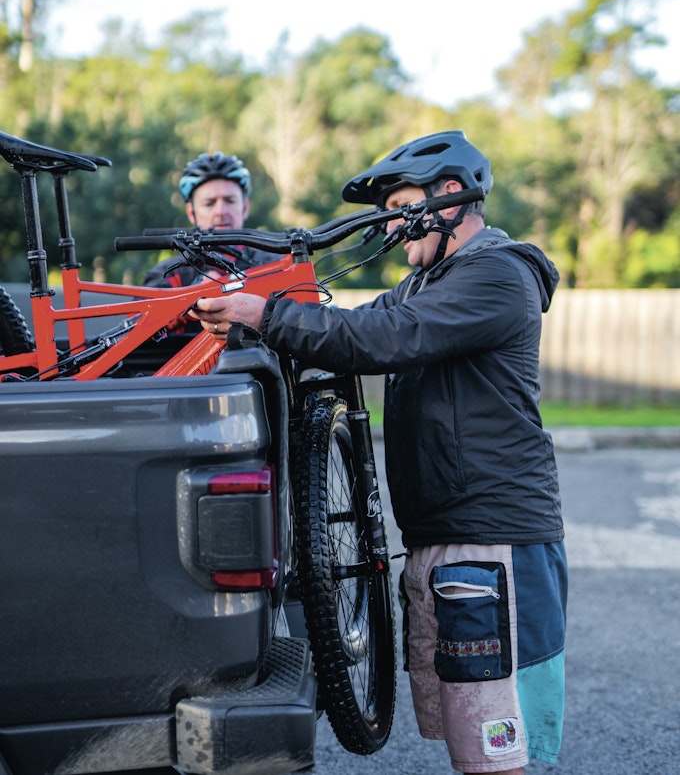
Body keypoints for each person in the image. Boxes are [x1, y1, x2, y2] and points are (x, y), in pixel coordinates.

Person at [188, 130, 567, 775]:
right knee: (470, 740)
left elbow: (378, 338)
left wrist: (264, 312)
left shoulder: (499, 274)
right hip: (444, 536)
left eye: (402, 203)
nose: (393, 223)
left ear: (451, 197)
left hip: (497, 543)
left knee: (506, 749)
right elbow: (347, 326)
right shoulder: (429, 282)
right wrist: (260, 302)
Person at [143, 151, 260, 288]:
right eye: (209, 203)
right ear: (191, 213)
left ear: (245, 208)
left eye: (230, 200)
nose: (220, 211)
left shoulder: (276, 263)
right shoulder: (170, 273)